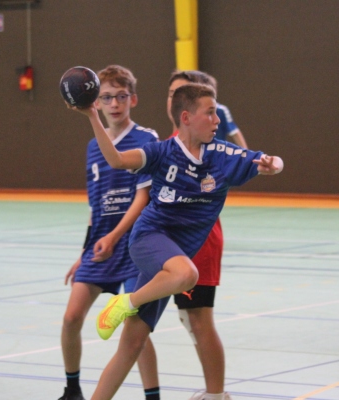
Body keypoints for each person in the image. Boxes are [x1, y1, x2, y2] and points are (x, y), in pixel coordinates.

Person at [66, 83, 283, 399]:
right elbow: (115, 159)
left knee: (131, 344)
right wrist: (91, 116)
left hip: (171, 259)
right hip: (148, 240)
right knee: (187, 275)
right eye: (209, 113)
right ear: (186, 117)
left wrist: (273, 165)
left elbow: (269, 160)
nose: (216, 120)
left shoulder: (221, 156)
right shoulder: (161, 152)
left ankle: (127, 307)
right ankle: (124, 302)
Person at [58, 65, 161, 400]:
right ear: (96, 102)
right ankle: (72, 388)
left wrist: (114, 236)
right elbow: (95, 206)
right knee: (72, 316)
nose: (114, 104)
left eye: (120, 96)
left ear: (133, 99)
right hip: (100, 245)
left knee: (136, 330)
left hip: (133, 245)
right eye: (106, 97)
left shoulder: (147, 139)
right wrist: (83, 252)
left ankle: (152, 396)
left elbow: (144, 198)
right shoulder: (93, 147)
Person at [167, 70, 248, 399]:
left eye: (180, 93)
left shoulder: (207, 147)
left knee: (200, 320)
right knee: (190, 319)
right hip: (176, 242)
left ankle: (216, 394)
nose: (173, 99)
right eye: (171, 92)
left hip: (199, 242)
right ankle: (213, 391)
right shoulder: (174, 141)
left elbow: (242, 156)